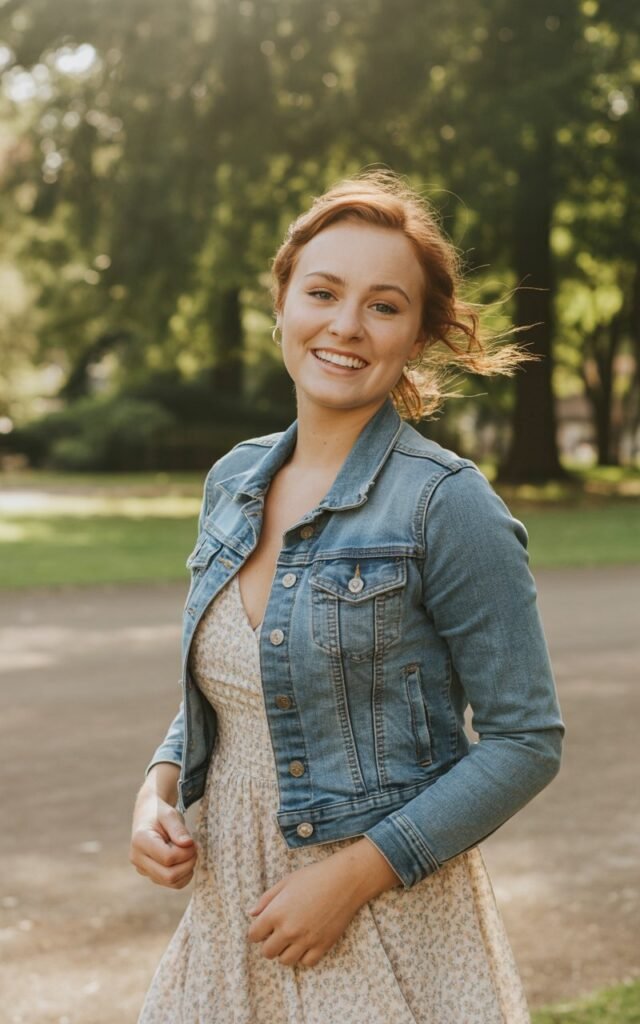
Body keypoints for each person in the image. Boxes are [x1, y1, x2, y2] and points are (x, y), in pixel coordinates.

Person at [130, 170, 565, 1024]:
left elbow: (527, 740)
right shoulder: (233, 482)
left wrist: (352, 877)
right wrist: (159, 783)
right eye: (323, 292)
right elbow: (240, 681)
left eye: (384, 305)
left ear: (418, 334)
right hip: (230, 919)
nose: (345, 326)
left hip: (384, 923)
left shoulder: (450, 503)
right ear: (283, 303)